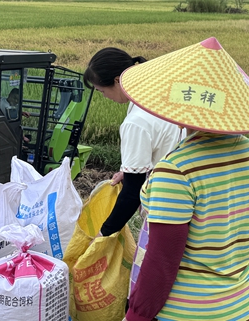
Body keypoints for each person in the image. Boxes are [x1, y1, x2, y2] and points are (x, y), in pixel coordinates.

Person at [120, 37, 249, 321]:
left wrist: (137, 315)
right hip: (238, 305)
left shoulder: (177, 171)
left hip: (186, 311)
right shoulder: (245, 151)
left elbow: (162, 262)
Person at [84, 47, 183, 237]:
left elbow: (131, 193)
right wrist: (130, 171)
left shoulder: (136, 122)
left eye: (101, 91)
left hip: (167, 206)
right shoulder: (159, 94)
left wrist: (103, 234)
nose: (104, 97)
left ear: (117, 80)